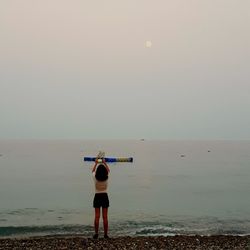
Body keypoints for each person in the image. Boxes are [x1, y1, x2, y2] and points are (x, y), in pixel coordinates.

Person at [92, 158, 110, 239]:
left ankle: (96, 234)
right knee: (105, 217)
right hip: (105, 196)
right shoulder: (107, 177)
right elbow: (108, 170)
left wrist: (96, 163)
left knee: (97, 217)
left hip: (97, 196)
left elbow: (93, 171)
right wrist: (105, 163)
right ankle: (105, 234)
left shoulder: (95, 178)